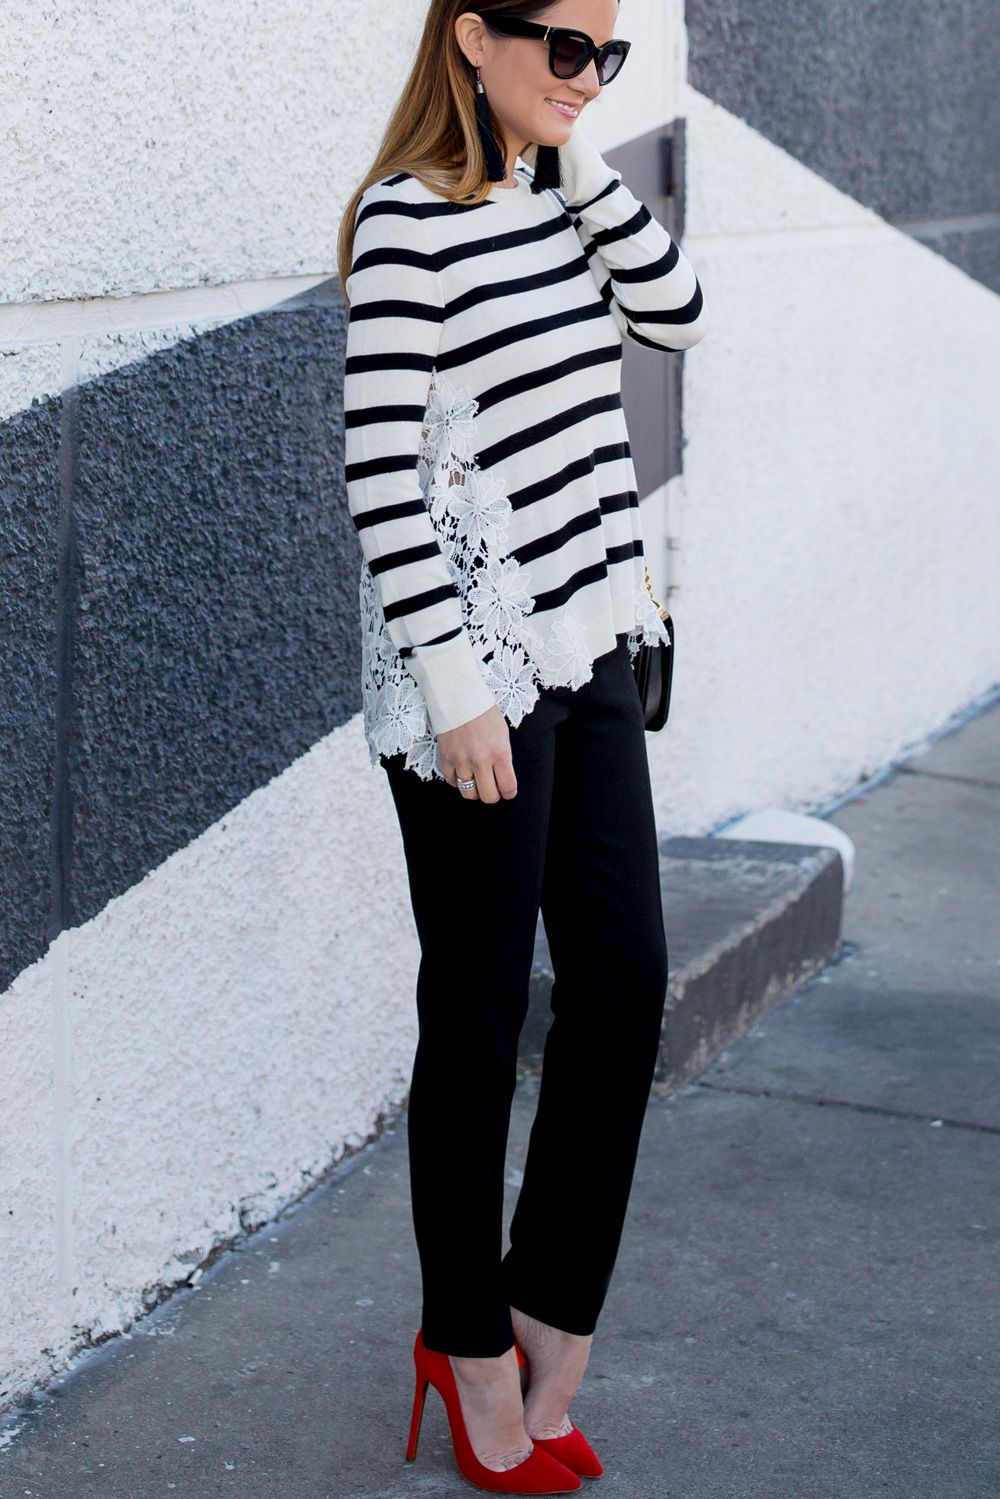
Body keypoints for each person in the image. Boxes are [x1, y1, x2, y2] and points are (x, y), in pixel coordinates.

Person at [338, 2, 707, 1490]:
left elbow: (673, 313)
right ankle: (468, 1349)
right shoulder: (405, 222)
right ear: (469, 37)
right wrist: (451, 684)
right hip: (478, 673)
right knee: (480, 1014)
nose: (587, 77)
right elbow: (377, 470)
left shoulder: (561, 202)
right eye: (563, 47)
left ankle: (550, 1307)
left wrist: (582, 157)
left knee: (620, 985)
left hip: (596, 638)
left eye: (607, 56)